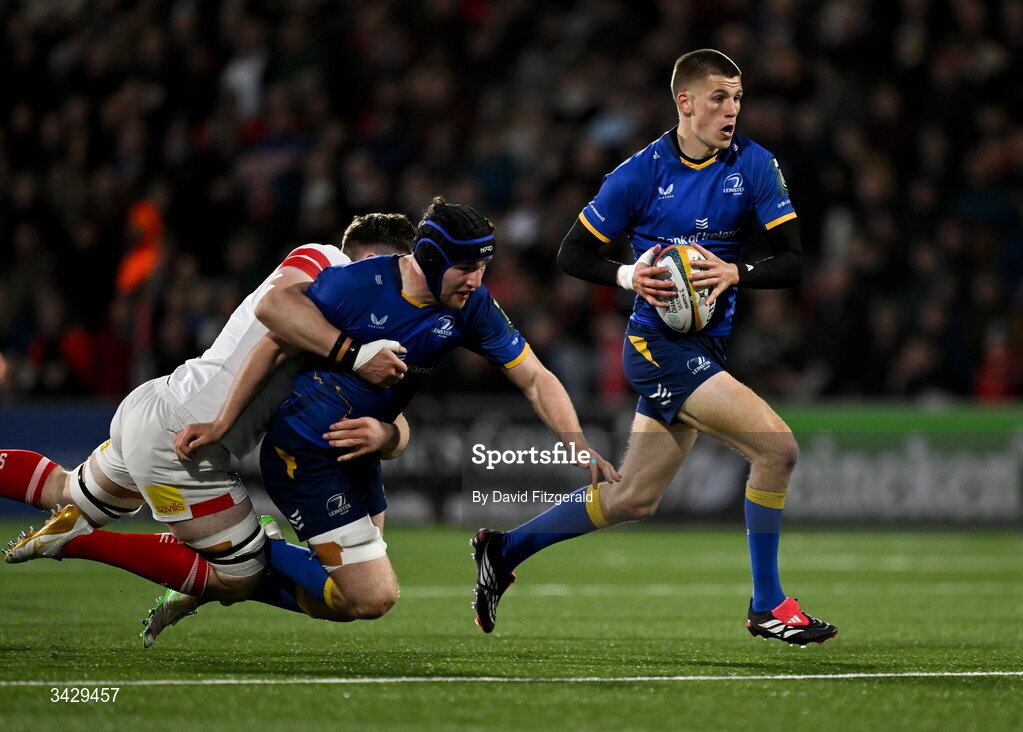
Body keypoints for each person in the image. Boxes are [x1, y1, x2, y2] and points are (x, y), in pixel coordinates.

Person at [470, 49, 837, 645]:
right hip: (656, 345)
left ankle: (502, 549)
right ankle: (768, 604)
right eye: (719, 97)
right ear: (685, 103)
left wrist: (736, 272)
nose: (732, 109)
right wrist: (626, 275)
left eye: (738, 97)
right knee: (777, 449)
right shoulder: (640, 173)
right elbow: (572, 253)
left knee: (633, 498)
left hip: (707, 347)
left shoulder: (758, 166)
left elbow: (794, 260)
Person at [175, 197, 621, 626]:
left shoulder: (472, 306)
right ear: (428, 257)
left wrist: (576, 445)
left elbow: (536, 378)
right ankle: (251, 549)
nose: (476, 281)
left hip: (359, 458)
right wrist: (222, 423)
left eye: (483, 267)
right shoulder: (355, 285)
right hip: (306, 451)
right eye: (466, 268)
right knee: (374, 596)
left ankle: (233, 573)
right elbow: (274, 340)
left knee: (349, 597)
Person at [1, 214, 415, 646]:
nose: (403, 285)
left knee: (64, 488)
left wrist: (387, 436)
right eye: (400, 267)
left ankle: (100, 530)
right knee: (240, 575)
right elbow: (272, 311)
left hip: (158, 407)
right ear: (372, 257)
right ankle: (78, 540)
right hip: (183, 443)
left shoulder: (353, 324)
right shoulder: (326, 261)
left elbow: (391, 417)